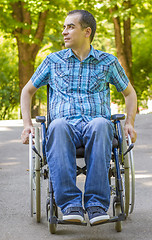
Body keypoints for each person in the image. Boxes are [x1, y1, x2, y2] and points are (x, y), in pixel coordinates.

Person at [21, 10, 137, 225]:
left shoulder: (108, 62)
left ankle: (96, 205)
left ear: (87, 31)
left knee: (102, 124)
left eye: (70, 27)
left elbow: (129, 93)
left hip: (96, 127)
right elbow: (27, 91)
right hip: (64, 128)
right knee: (57, 125)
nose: (64, 32)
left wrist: (129, 123)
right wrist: (27, 125)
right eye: (64, 27)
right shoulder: (53, 61)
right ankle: (71, 204)